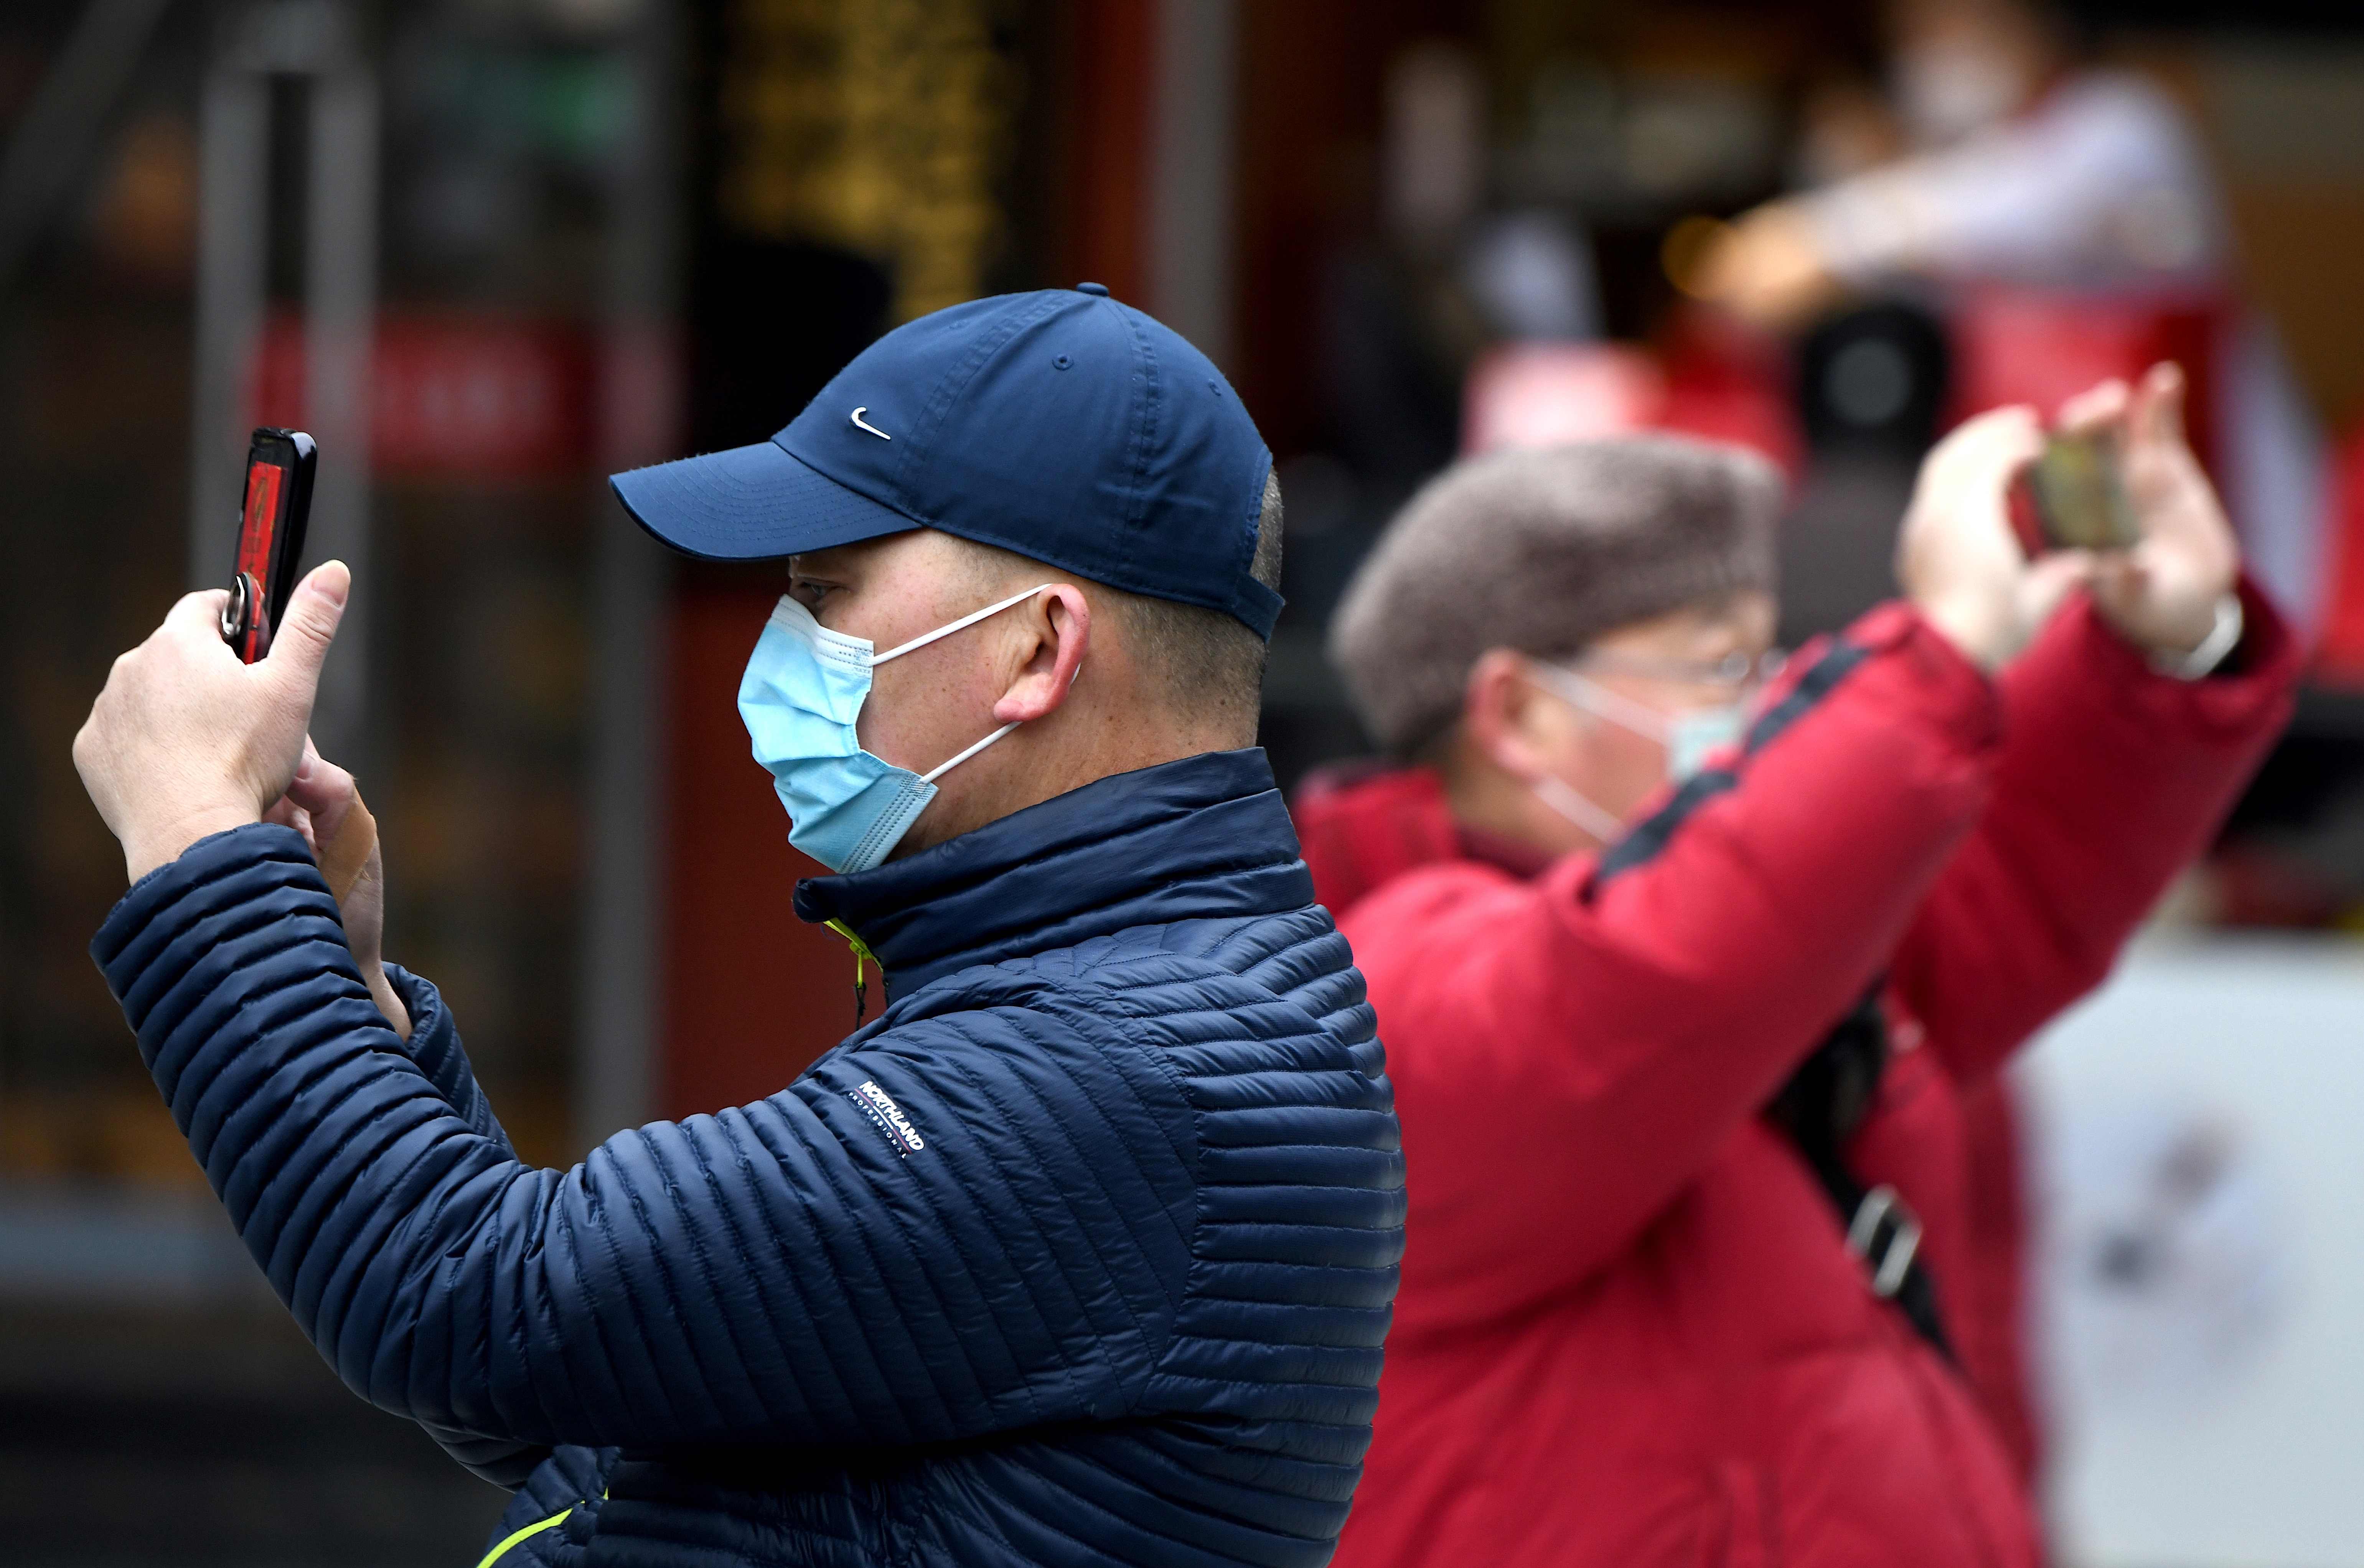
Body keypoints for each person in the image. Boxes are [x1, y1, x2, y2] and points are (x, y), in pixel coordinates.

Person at [71, 286, 1404, 1568]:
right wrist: (348, 996)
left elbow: (467, 1296)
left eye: (825, 595)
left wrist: (199, 847)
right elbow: (591, 1387)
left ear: (1039, 650)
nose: (778, 645)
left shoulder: (1120, 1062)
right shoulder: (1143, 999)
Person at [1295, 366, 2295, 1567]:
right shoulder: (1384, 986)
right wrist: (1937, 654)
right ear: (1519, 715)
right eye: (1721, 669)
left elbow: (2004, 867)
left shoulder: (1770, 955)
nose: (1766, 713)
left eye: (1774, 667)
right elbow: (1664, 966)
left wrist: (2165, 639)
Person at [1695, 0, 2326, 637]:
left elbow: (2022, 209)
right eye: (1913, 27)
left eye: (1952, 21)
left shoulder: (2121, 120)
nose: (1928, 46)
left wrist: (1827, 230)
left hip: (2204, 494)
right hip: (2047, 507)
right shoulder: (1951, 151)